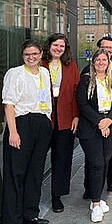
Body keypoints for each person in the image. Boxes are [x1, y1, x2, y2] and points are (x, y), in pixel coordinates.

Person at [1, 40, 53, 224]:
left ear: (41, 54)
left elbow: (46, 99)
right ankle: (14, 221)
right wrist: (13, 132)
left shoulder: (45, 73)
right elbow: (9, 104)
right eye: (27, 54)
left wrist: (47, 122)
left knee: (35, 172)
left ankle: (30, 213)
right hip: (22, 124)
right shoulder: (15, 73)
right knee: (17, 173)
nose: (31, 57)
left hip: (41, 123)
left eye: (34, 54)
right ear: (22, 56)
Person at [76, 49, 112, 223]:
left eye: (104, 59)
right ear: (93, 62)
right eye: (98, 60)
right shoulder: (85, 81)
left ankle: (96, 196)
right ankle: (96, 204)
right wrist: (100, 122)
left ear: (109, 61)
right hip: (91, 128)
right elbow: (82, 104)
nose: (101, 63)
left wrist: (109, 121)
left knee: (104, 163)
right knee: (96, 164)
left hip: (110, 127)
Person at [41, 34, 80, 213]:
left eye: (61, 46)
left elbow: (76, 92)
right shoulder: (40, 64)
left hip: (65, 118)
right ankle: (32, 195)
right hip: (43, 117)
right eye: (55, 45)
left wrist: (76, 116)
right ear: (49, 46)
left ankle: (57, 196)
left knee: (62, 159)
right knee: (38, 158)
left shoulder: (70, 66)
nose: (58, 49)